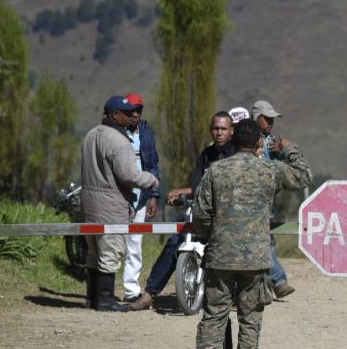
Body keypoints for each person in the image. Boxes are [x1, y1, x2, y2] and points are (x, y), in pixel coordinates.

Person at [192, 118, 312, 349]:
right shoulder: (269, 169)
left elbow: (200, 213)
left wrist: (213, 236)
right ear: (259, 142)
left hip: (220, 256)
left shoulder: (216, 170)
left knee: (214, 316)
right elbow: (303, 175)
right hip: (256, 259)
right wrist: (290, 149)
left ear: (234, 140)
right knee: (250, 318)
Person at [138, 111, 235, 309]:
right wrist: (180, 194)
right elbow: (196, 185)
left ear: (231, 131)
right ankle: (150, 293)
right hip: (205, 217)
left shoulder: (238, 156)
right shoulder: (207, 155)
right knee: (175, 241)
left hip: (230, 220)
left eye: (223, 128)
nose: (219, 132)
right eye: (215, 128)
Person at [81, 95, 159, 312]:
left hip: (88, 203)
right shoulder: (119, 140)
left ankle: (92, 298)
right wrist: (152, 180)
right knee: (110, 253)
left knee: (93, 253)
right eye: (125, 113)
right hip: (110, 205)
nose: (130, 116)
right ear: (115, 115)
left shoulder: (90, 135)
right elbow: (128, 176)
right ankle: (105, 300)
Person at [251, 100, 295, 298]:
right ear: (256, 118)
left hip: (266, 203)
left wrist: (282, 153)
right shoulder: (249, 139)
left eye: (272, 119)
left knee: (262, 242)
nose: (271, 123)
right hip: (251, 202)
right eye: (266, 119)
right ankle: (278, 280)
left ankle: (266, 284)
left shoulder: (269, 142)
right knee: (262, 242)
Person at [121, 93, 162, 307]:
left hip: (141, 197)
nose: (135, 115)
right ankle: (101, 290)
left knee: (135, 244)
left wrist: (154, 196)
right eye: (131, 111)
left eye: (138, 111)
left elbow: (153, 165)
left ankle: (131, 290)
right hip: (118, 197)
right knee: (113, 242)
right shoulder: (116, 133)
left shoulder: (147, 134)